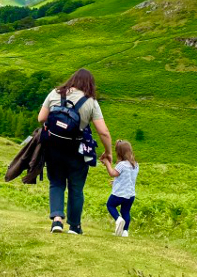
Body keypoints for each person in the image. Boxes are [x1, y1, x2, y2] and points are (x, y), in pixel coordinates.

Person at [38, 68, 112, 235]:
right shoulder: (91, 102)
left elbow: (41, 118)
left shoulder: (55, 93)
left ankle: (56, 220)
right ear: (90, 84)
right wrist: (108, 152)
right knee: (76, 188)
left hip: (53, 147)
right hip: (77, 150)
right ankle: (74, 226)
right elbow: (103, 132)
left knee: (56, 183)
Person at [101, 140, 139, 237]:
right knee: (125, 211)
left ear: (119, 153)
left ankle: (118, 219)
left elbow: (112, 173)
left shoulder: (122, 165)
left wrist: (107, 163)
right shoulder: (135, 165)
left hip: (119, 194)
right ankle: (125, 231)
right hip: (130, 195)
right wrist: (116, 181)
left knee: (110, 205)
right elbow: (128, 178)